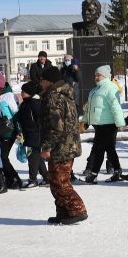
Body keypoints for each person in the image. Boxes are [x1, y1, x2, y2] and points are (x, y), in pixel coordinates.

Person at [39, 65, 87, 224]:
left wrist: (46, 147)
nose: (40, 84)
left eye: (42, 80)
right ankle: (63, 211)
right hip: (68, 144)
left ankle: (77, 210)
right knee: (54, 180)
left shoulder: (54, 97)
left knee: (60, 181)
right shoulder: (65, 94)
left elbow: (55, 126)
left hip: (61, 146)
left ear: (49, 81)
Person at [80, 65, 125, 183]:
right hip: (99, 125)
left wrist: (120, 122)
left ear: (104, 76)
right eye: (95, 75)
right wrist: (85, 121)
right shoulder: (95, 90)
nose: (95, 77)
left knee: (99, 149)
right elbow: (89, 108)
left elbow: (116, 106)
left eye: (98, 75)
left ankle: (93, 174)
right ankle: (117, 171)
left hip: (108, 125)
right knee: (110, 149)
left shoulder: (110, 88)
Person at [0, 72, 23, 190]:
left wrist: (19, 131)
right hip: (2, 130)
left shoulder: (8, 96)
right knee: (1, 157)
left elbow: (15, 113)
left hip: (9, 131)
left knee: (2, 157)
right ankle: (10, 178)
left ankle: (14, 178)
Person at [16, 82, 48, 188]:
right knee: (37, 157)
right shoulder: (25, 103)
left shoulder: (34, 103)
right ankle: (47, 177)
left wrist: (39, 131)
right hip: (29, 133)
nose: (21, 93)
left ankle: (33, 179)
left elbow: (40, 119)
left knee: (33, 156)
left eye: (23, 92)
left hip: (35, 134)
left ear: (29, 93)